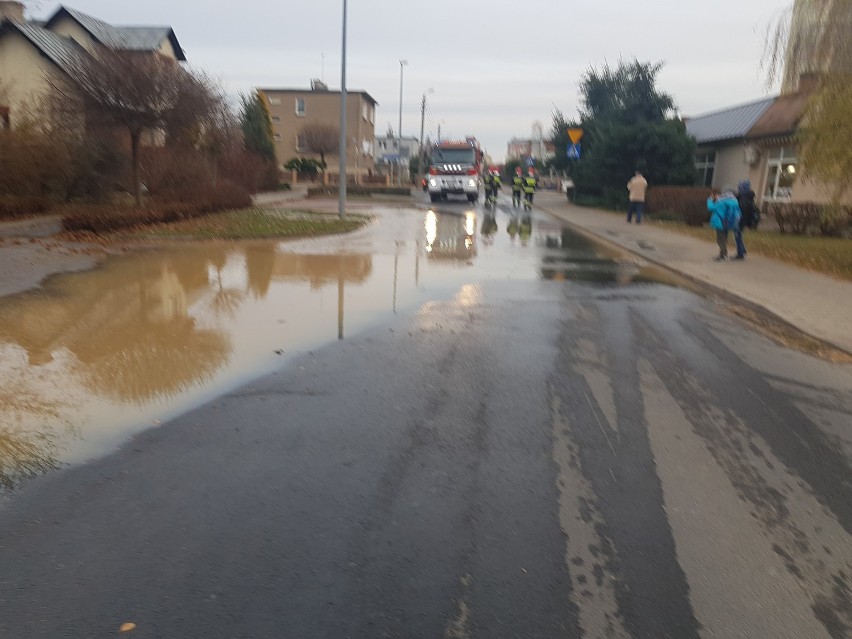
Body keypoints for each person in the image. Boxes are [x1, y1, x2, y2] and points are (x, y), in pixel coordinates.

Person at [707, 186, 742, 261]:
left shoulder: (722, 202)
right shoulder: (733, 201)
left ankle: (723, 255)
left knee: (720, 239)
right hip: (726, 222)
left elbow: (711, 207)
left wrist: (709, 200)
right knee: (723, 238)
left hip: (720, 222)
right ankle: (723, 254)